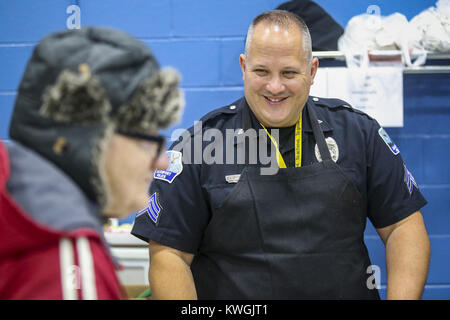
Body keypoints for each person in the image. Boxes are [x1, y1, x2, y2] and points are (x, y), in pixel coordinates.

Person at [131, 10, 430, 299]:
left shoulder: (358, 133)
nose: (275, 87)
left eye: (289, 72)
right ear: (243, 67)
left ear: (312, 71)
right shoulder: (198, 146)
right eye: (261, 71)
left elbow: (403, 227)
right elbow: (169, 256)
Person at [0, 27, 184, 299]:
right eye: (149, 139)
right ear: (93, 137)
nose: (161, 162)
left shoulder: (16, 201)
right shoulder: (66, 258)